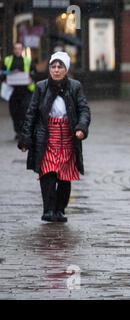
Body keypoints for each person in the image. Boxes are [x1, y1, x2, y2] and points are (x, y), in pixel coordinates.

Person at [18, 51, 91, 223]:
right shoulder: (41, 87)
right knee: (48, 173)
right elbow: (32, 113)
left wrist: (81, 128)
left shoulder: (75, 86)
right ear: (49, 68)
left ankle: (60, 209)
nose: (56, 70)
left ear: (66, 69)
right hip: (47, 136)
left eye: (60, 67)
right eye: (53, 66)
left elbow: (84, 110)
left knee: (65, 175)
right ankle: (48, 209)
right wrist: (26, 139)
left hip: (67, 135)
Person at [1, 42, 36, 140]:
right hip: (12, 92)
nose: (17, 50)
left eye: (19, 48)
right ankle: (18, 131)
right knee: (14, 113)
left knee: (25, 112)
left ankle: (24, 132)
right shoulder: (7, 60)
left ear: (22, 50)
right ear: (13, 50)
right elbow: (2, 73)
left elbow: (34, 71)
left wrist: (31, 78)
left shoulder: (28, 60)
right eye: (16, 48)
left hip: (26, 91)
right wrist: (4, 78)